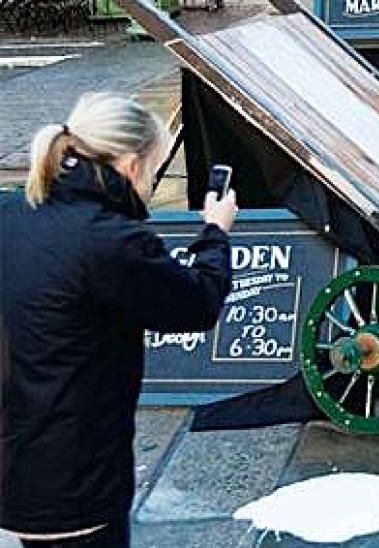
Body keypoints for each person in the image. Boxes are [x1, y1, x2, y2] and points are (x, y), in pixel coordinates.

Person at [0, 93, 238, 547]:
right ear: (130, 166)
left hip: (16, 469)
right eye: (154, 169)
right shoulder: (111, 241)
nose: (150, 183)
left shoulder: (11, 212)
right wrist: (215, 233)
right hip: (77, 483)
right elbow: (198, 304)